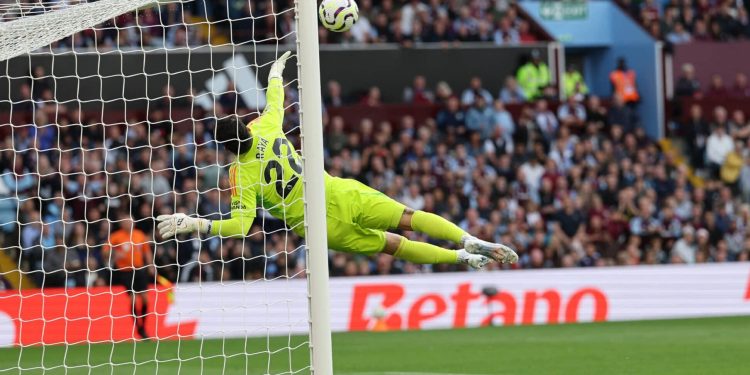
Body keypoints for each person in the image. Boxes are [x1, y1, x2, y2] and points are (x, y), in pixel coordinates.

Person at [157, 52, 518, 271]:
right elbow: (275, 101)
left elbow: (239, 227)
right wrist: (276, 74)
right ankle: (467, 238)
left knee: (394, 245)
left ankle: (460, 259)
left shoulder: (241, 174)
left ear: (226, 149)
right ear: (245, 126)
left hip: (317, 223)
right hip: (335, 190)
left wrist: (195, 224)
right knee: (407, 218)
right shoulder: (264, 125)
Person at [103, 213, 153, 339]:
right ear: (121, 224)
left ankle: (143, 327)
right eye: (126, 222)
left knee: (146, 299)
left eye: (130, 222)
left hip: (140, 269)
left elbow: (146, 251)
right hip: (125, 271)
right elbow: (104, 251)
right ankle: (138, 327)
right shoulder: (116, 236)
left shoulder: (139, 235)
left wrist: (151, 265)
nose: (128, 224)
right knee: (134, 299)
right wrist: (114, 255)